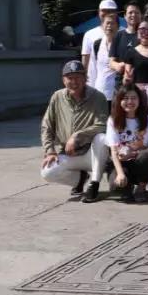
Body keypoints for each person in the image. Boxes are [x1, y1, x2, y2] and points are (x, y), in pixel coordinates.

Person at [40, 60, 110, 202]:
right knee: (48, 172)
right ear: (63, 80)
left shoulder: (98, 97)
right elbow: (46, 126)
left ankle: (94, 184)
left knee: (101, 138)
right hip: (69, 154)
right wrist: (50, 151)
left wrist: (77, 136)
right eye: (69, 78)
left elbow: (103, 125)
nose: (74, 82)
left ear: (85, 78)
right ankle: (80, 179)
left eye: (78, 77)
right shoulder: (57, 97)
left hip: (93, 154)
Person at [106, 83, 148, 203]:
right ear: (119, 100)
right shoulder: (113, 120)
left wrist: (134, 153)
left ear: (139, 100)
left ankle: (141, 188)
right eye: (125, 98)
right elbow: (113, 150)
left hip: (141, 162)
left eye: (133, 98)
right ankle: (127, 187)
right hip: (122, 163)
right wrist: (120, 174)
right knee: (116, 187)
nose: (130, 102)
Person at [114, 17, 148, 121]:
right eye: (142, 29)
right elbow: (126, 78)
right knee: (140, 124)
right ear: (137, 32)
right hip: (138, 95)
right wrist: (126, 80)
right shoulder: (131, 52)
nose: (146, 32)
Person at [87, 13, 119, 105]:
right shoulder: (97, 44)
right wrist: (90, 91)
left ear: (117, 27)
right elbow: (92, 69)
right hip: (99, 91)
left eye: (112, 23)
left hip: (117, 93)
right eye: (107, 23)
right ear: (102, 25)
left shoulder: (122, 43)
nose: (109, 26)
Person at [81, 0, 119, 72]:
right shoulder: (89, 34)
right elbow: (85, 60)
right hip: (93, 78)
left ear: (116, 13)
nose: (107, 13)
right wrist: (83, 75)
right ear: (99, 12)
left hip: (118, 78)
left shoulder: (123, 32)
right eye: (104, 10)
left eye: (111, 10)